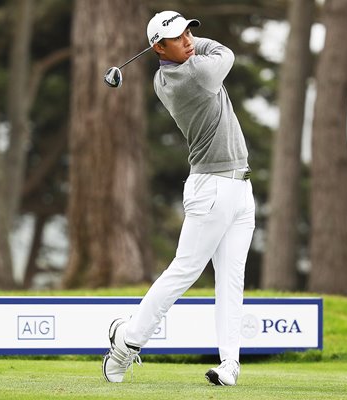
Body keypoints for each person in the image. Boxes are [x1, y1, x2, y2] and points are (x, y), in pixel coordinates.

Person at [102, 10, 256, 386]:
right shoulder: (192, 74)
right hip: (212, 188)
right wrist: (198, 47)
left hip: (240, 188)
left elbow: (210, 51)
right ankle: (127, 342)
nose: (188, 40)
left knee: (231, 281)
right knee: (184, 271)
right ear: (158, 48)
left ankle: (229, 364)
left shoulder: (174, 68)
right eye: (178, 37)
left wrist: (184, 41)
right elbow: (226, 53)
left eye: (189, 32)